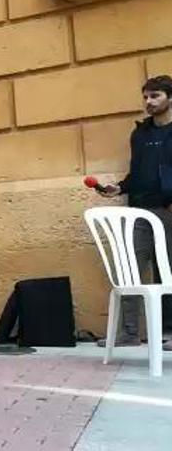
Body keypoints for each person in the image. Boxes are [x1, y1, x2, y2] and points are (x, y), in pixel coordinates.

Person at [95, 75, 172, 351]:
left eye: (155, 96)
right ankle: (129, 333)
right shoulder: (140, 134)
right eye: (146, 97)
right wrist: (120, 188)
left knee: (169, 273)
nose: (149, 102)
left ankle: (169, 332)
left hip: (167, 211)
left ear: (169, 98)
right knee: (129, 271)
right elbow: (137, 172)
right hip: (139, 213)